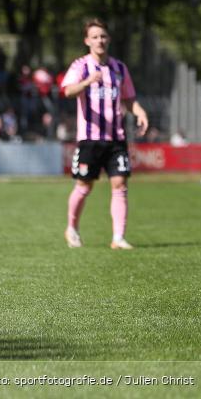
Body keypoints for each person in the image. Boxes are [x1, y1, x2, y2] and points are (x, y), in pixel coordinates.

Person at [60, 18, 148, 249]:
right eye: (95, 37)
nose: (100, 40)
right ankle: (72, 228)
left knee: (120, 184)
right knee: (84, 186)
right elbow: (68, 91)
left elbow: (129, 99)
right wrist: (88, 82)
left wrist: (140, 113)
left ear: (108, 39)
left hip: (116, 138)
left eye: (103, 36)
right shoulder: (81, 66)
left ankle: (118, 237)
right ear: (87, 40)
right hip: (90, 138)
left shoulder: (119, 68)